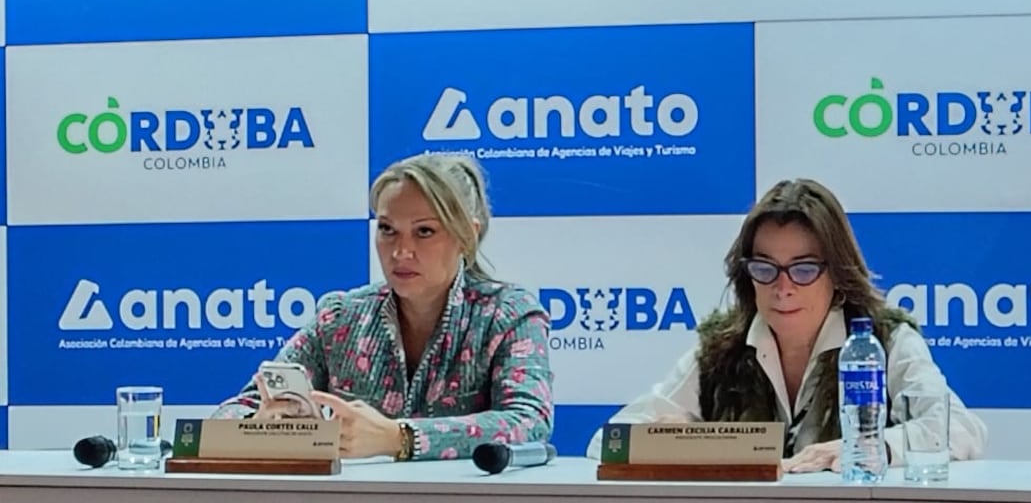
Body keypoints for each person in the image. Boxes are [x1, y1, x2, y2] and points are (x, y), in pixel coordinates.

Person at [586, 178, 987, 473]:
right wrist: (665, 440)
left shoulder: (883, 339)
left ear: (838, 273)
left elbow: (960, 428)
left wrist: (867, 446)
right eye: (765, 268)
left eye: (804, 269)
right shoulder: (722, 348)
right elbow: (608, 440)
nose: (783, 288)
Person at [212, 153, 554, 462]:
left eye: (424, 231)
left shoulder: (508, 314)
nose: (401, 251)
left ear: (467, 236)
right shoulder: (339, 317)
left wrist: (398, 437)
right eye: (388, 230)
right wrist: (261, 426)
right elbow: (231, 414)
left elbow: (529, 422)